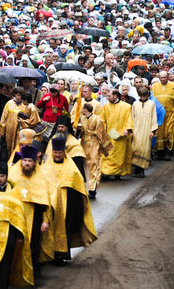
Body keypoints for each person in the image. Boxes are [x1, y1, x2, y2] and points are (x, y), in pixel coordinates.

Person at [43, 136, 97, 264]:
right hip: (50, 206)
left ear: (64, 153)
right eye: (55, 153)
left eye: (59, 153)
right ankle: (48, 254)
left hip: (67, 207)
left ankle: (61, 255)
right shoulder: (46, 167)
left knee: (64, 230)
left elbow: (78, 187)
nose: (57, 155)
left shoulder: (71, 169)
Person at [7, 145, 53, 276]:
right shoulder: (12, 175)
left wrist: (45, 221)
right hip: (15, 217)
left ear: (34, 163)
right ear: (21, 161)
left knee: (33, 245)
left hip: (35, 218)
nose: (27, 163)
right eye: (25, 160)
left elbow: (45, 202)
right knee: (14, 245)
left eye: (30, 161)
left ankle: (31, 272)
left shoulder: (40, 178)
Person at [79, 103, 112, 199]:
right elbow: (81, 132)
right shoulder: (82, 119)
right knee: (86, 165)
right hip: (84, 144)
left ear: (86, 109)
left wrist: (105, 147)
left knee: (94, 164)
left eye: (83, 109)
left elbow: (101, 133)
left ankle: (92, 189)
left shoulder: (97, 119)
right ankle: (88, 187)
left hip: (94, 144)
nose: (82, 110)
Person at [99, 90, 134, 178]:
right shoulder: (105, 107)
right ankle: (106, 173)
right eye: (107, 96)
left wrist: (127, 129)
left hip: (122, 135)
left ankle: (117, 173)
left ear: (115, 96)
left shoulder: (127, 107)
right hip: (109, 134)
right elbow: (102, 120)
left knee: (119, 156)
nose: (108, 98)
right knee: (108, 155)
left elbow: (130, 119)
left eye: (109, 96)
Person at [130, 86, 158, 177]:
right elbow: (132, 117)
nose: (142, 98)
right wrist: (132, 130)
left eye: (144, 96)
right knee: (136, 148)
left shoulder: (151, 104)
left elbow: (154, 118)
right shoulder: (135, 104)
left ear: (147, 95)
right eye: (141, 96)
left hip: (146, 130)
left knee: (145, 149)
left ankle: (141, 170)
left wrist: (152, 131)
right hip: (137, 130)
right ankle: (136, 169)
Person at [151, 71, 174, 160]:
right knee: (159, 134)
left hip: (170, 114)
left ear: (168, 77)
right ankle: (159, 152)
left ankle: (168, 151)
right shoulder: (154, 87)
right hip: (158, 115)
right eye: (161, 77)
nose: (163, 79)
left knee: (169, 133)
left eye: (164, 77)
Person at [0, 87, 25, 160]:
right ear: (15, 95)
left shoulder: (24, 105)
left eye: (21, 95)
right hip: (9, 129)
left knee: (18, 146)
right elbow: (4, 117)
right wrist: (1, 131)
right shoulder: (9, 103)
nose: (20, 97)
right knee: (8, 145)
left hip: (20, 129)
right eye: (18, 95)